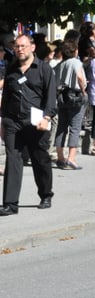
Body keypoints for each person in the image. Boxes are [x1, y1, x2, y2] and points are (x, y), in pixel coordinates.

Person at [0, 34, 57, 216]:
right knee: (13, 159)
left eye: (23, 46)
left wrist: (47, 118)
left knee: (40, 159)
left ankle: (46, 194)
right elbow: (7, 96)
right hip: (13, 122)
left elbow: (51, 97)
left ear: (32, 47)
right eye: (17, 46)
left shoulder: (44, 69)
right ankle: (10, 204)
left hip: (36, 122)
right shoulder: (11, 69)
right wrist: (2, 120)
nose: (20, 49)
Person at [54, 39, 86, 170]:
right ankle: (71, 158)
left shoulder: (59, 65)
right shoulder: (76, 62)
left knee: (61, 127)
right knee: (75, 127)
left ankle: (60, 157)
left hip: (62, 98)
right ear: (75, 51)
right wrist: (83, 89)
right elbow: (79, 77)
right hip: (75, 96)